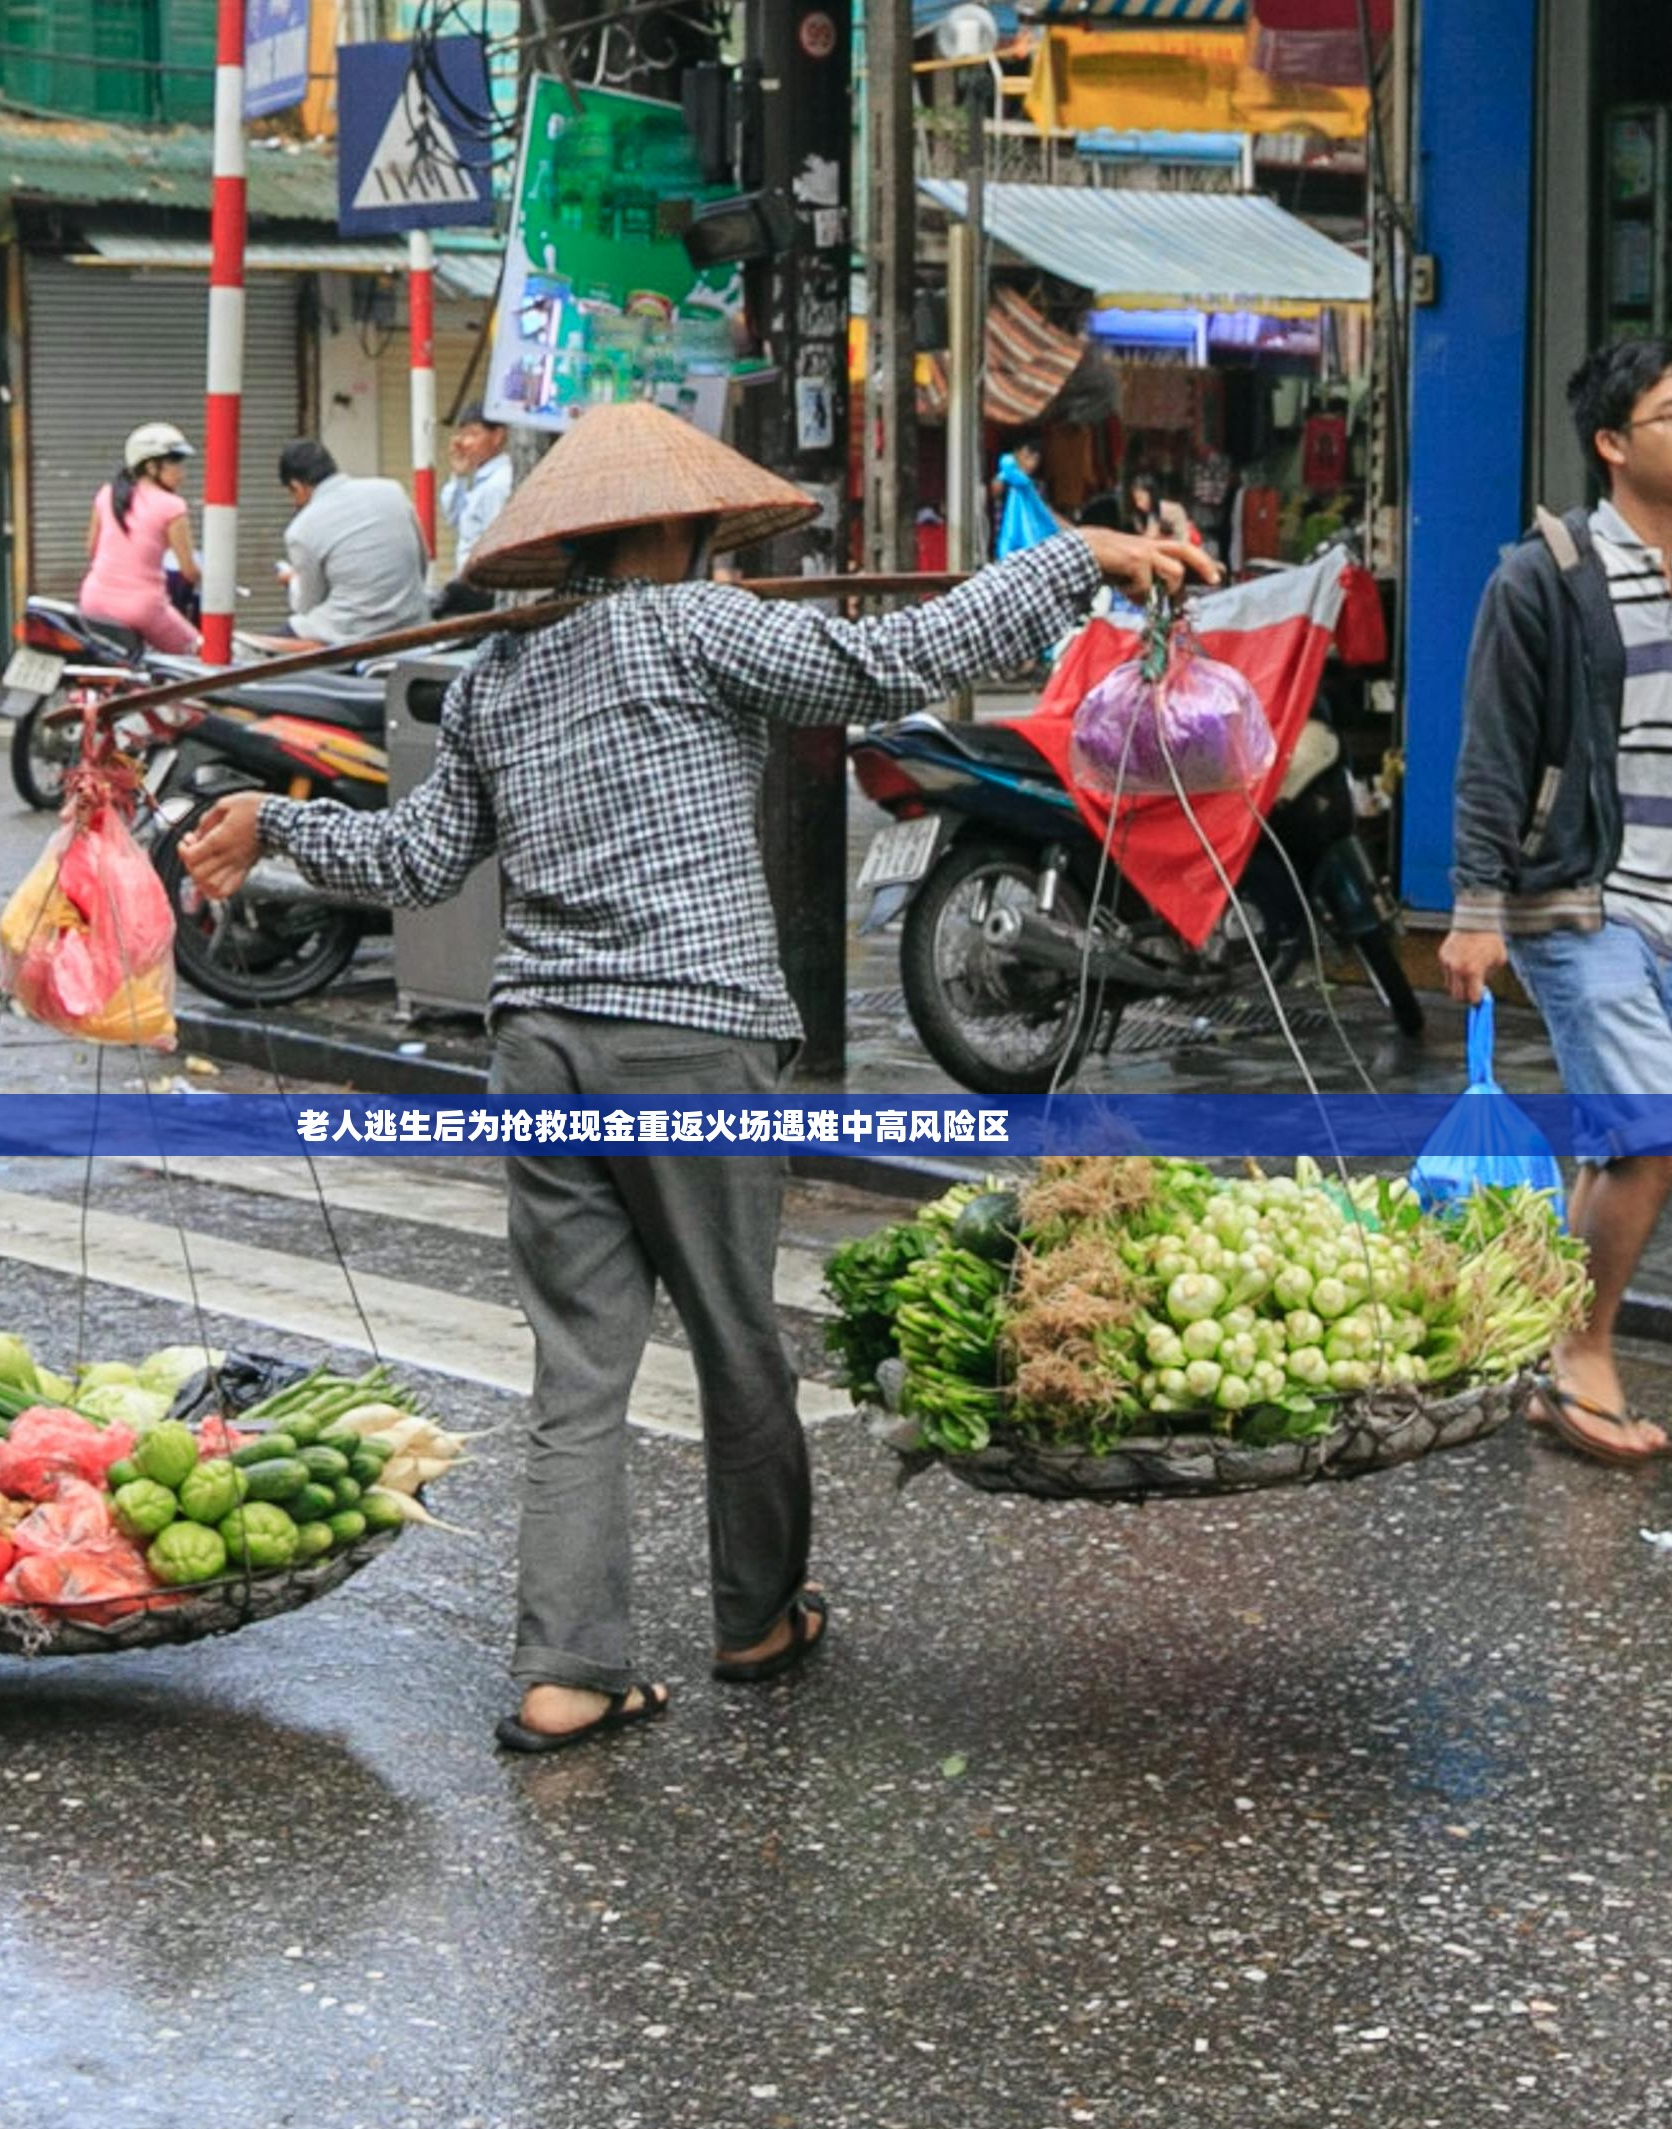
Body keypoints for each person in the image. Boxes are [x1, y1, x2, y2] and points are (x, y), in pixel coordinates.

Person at [179, 403, 1211, 1754]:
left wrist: (279, 822)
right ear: (667, 527)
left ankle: (564, 1669)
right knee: (736, 1345)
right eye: (701, 532)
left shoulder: (497, 672)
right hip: (692, 1041)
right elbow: (895, 658)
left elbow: (419, 860)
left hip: (538, 1051)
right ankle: (754, 1617)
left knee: (577, 1371)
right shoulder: (695, 625)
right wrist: (1073, 554)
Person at [1435, 338, 1672, 1465]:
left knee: (1622, 1147)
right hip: (1577, 905)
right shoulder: (1542, 575)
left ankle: (1537, 1345)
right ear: (1611, 443)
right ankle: (1577, 1354)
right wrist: (1475, 907)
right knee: (1659, 1141)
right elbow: (1493, 751)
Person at [274, 437, 427, 646]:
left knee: (259, 650)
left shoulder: (301, 529)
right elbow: (421, 560)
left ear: (297, 487)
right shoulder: (392, 490)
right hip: (413, 621)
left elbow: (308, 604)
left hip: (352, 634)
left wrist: (293, 582)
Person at [81, 421, 201, 654]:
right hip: (143, 608)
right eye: (174, 463)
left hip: (93, 601)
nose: (181, 473)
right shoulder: (173, 506)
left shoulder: (107, 494)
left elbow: (91, 550)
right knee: (199, 656)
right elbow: (189, 571)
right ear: (150, 466)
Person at [433, 410, 516, 618]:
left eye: (473, 434)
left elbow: (497, 544)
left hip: (483, 591)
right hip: (471, 585)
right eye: (462, 435)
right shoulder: (480, 478)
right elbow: (453, 518)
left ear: (497, 436)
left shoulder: (498, 483)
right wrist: (459, 474)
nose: (464, 443)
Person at [993, 435, 1062, 560]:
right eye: (1027, 457)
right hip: (1006, 550)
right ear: (1016, 454)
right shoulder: (1003, 480)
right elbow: (995, 491)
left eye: (1035, 459)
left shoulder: (1038, 486)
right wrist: (1010, 471)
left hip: (1033, 549)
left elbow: (1045, 512)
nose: (1031, 463)